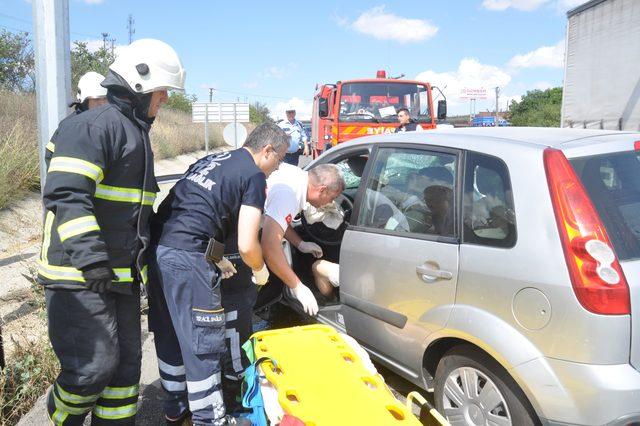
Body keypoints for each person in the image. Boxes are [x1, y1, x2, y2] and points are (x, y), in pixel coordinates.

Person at [39, 38, 185, 425]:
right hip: (78, 276)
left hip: (119, 277)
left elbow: (136, 213)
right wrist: (92, 262)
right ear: (139, 86)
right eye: (162, 91)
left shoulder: (136, 135)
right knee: (91, 370)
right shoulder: (90, 127)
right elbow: (67, 195)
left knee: (123, 374)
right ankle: (61, 415)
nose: (165, 100)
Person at [147, 123, 289, 426]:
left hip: (159, 248)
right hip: (187, 259)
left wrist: (217, 257)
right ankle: (209, 419)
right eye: (278, 160)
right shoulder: (254, 175)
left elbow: (192, 213)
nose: (276, 169)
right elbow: (248, 243)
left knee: (171, 330)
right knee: (203, 341)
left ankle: (175, 406)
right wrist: (260, 270)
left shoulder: (211, 161)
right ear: (267, 151)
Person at [261, 163, 345, 316]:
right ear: (322, 190)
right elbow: (269, 247)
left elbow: (278, 220)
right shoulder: (290, 195)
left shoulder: (298, 177)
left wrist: (300, 244)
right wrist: (297, 286)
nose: (330, 204)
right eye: (331, 198)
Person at [45, 71, 108, 166]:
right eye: (96, 100)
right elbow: (51, 155)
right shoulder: (70, 126)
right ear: (83, 101)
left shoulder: (113, 122)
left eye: (105, 99)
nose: (101, 104)